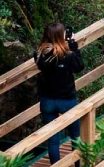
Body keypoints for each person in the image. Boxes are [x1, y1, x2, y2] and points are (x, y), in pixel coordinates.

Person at [34, 22, 84, 167]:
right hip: (67, 100)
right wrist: (74, 47)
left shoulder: (39, 54)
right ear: (61, 36)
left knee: (53, 138)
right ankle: (77, 165)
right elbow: (79, 67)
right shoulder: (67, 56)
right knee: (75, 136)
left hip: (47, 100)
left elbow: (47, 60)